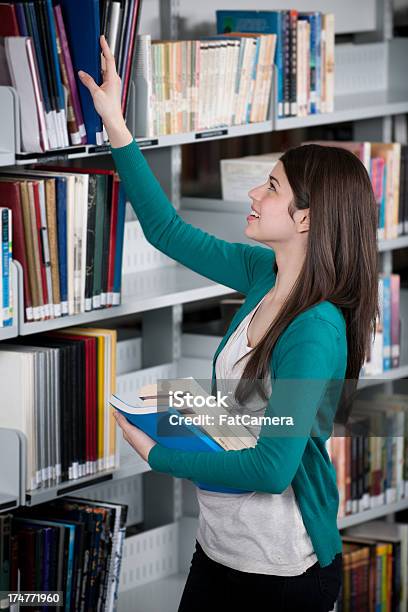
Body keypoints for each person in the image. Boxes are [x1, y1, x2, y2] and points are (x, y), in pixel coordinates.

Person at [79, 35, 379, 612]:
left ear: (308, 219)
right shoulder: (263, 272)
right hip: (218, 550)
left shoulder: (314, 330)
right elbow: (166, 230)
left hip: (281, 572)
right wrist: (117, 124)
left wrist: (158, 453)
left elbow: (270, 468)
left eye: (271, 187)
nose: (253, 193)